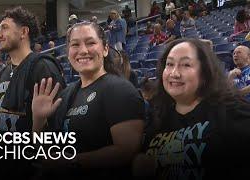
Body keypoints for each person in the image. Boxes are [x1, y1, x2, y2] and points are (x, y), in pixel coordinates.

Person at [31, 21, 145, 178]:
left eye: (90, 43)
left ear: (105, 49)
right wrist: (38, 120)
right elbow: (46, 152)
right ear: (68, 51)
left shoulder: (120, 90)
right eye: (75, 45)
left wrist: (71, 160)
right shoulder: (66, 94)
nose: (83, 50)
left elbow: (126, 151)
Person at [133, 38, 250, 179]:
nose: (174, 73)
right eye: (169, 64)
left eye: (186, 65)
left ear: (205, 72)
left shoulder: (232, 112)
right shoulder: (158, 117)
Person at [0, 6, 65, 178]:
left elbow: (56, 130)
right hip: (4, 165)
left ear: (23, 32)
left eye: (4, 28)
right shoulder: (4, 72)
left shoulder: (43, 67)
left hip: (30, 169)